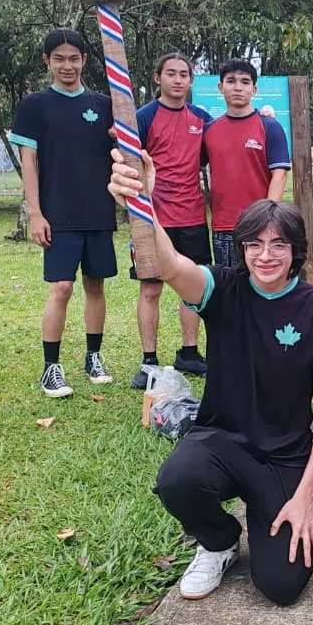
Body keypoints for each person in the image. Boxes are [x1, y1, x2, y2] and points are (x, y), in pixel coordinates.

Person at [108, 149, 313, 606]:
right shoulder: (221, 288)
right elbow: (171, 265)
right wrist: (143, 201)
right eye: (254, 244)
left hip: (284, 457)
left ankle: (294, 508)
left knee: (280, 586)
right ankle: (219, 541)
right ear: (241, 249)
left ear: (296, 251)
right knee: (177, 479)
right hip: (222, 440)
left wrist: (305, 494)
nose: (265, 255)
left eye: (278, 245)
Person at [7, 27, 117, 399]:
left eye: (73, 59)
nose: (67, 66)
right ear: (47, 61)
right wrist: (35, 214)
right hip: (57, 214)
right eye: (59, 59)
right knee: (61, 288)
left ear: (84, 60)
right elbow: (29, 163)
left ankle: (93, 357)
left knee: (95, 285)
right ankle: (50, 367)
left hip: (98, 211)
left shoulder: (104, 105)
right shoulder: (35, 105)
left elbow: (121, 153)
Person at [130, 53, 213, 388]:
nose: (178, 80)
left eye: (184, 75)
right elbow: (127, 159)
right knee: (151, 288)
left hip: (192, 215)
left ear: (191, 80)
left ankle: (189, 353)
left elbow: (228, 139)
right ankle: (149, 361)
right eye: (171, 74)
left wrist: (264, 116)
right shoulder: (143, 117)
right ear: (157, 77)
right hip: (152, 218)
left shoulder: (202, 119)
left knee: (191, 287)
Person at [202, 58, 291, 269]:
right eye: (231, 81)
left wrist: (268, 219)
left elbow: (280, 174)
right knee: (228, 283)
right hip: (223, 226)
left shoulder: (270, 126)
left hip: (260, 225)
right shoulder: (209, 130)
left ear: (254, 89)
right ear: (220, 87)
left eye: (245, 82)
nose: (238, 87)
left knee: (263, 280)